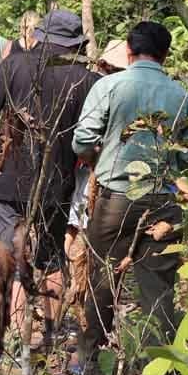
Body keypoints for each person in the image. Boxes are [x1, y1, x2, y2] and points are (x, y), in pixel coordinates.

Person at [70, 21, 188, 375]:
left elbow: (82, 140)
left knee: (102, 280)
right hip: (163, 199)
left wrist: (99, 160)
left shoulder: (109, 86)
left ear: (128, 51)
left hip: (116, 197)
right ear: (166, 54)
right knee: (159, 290)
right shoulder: (182, 95)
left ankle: (91, 365)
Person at [0, 9, 100, 348]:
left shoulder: (13, 65)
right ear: (75, 43)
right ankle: (48, 331)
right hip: (58, 184)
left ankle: (17, 337)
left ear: (40, 35)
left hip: (8, 179)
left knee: (13, 253)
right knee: (52, 256)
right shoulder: (87, 79)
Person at [62, 38, 130, 332]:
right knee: (78, 244)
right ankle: (81, 312)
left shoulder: (122, 94)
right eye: (113, 69)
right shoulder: (93, 91)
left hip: (106, 187)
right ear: (102, 66)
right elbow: (82, 141)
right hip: (85, 181)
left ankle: (89, 313)